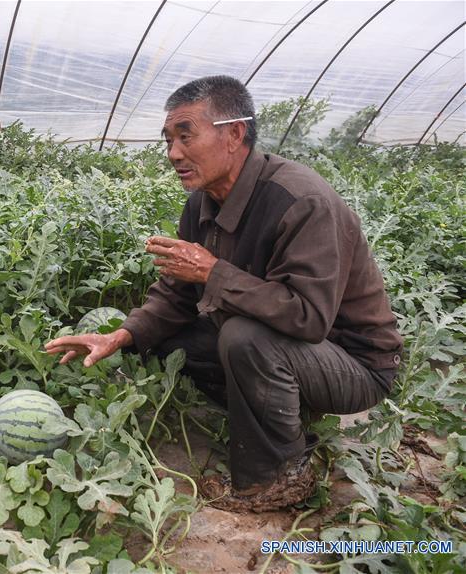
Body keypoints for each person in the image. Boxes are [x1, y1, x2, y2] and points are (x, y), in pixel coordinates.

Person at [45, 75, 402, 512]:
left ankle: (278, 478)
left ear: (234, 133)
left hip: (353, 365)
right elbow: (175, 297)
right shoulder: (202, 203)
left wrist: (213, 272)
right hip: (294, 353)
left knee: (243, 337)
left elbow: (309, 318)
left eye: (186, 135)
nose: (174, 154)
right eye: (168, 139)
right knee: (166, 339)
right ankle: (285, 412)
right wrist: (119, 336)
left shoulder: (302, 201)